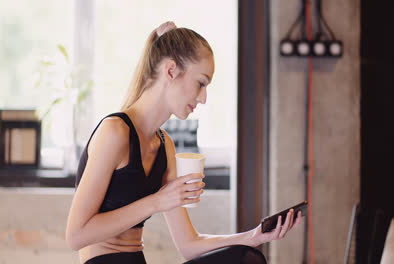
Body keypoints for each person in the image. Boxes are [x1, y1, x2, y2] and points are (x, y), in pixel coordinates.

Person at [65, 21, 302, 264]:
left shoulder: (164, 145)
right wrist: (156, 201)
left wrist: (253, 236)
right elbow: (75, 236)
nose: (204, 98)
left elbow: (189, 245)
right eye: (201, 83)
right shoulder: (115, 132)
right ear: (171, 71)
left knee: (246, 256)